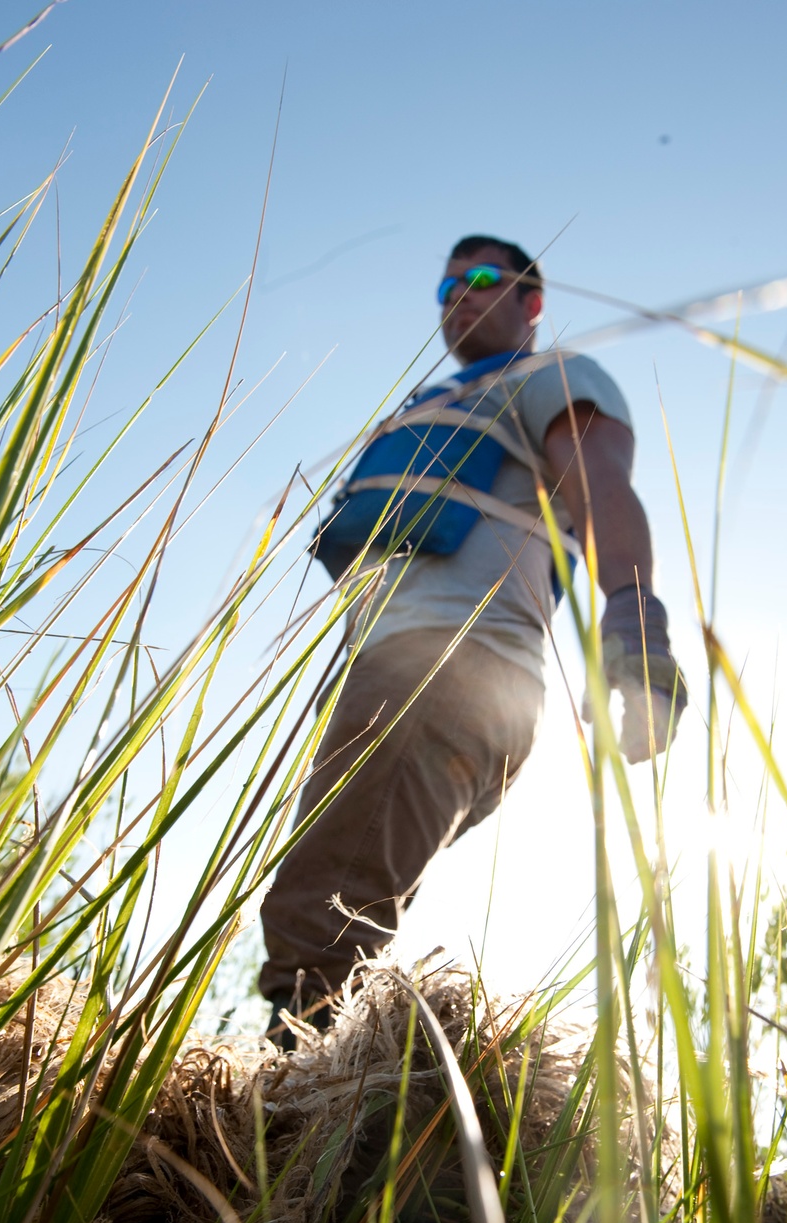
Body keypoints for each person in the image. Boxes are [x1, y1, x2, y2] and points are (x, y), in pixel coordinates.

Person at [259, 235, 686, 1048]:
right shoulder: (423, 407)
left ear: (532, 302)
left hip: (458, 664)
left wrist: (636, 622)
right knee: (340, 886)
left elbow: (602, 489)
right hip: (387, 670)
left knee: (325, 911)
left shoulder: (547, 378)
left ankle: (295, 1133)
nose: (460, 292)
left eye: (484, 278)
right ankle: (346, 1091)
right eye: (447, 283)